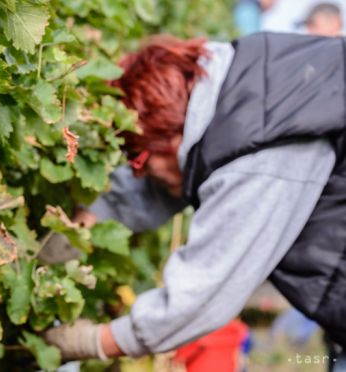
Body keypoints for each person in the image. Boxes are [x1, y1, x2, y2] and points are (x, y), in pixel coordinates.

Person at [43, 32, 346, 371]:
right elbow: (171, 170)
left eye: (138, 158)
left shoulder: (259, 155)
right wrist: (75, 227)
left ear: (169, 131)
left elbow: (204, 295)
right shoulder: (239, 88)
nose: (137, 171)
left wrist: (93, 341)